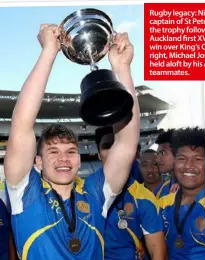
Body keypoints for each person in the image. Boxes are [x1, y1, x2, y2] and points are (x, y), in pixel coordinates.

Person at [4, 25, 140, 260]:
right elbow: (21, 125)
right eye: (53, 152)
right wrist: (48, 53)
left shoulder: (96, 193)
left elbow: (127, 143)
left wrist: (122, 68)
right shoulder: (24, 192)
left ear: (79, 160)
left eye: (70, 151)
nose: (63, 158)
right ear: (38, 161)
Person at [95, 126, 167, 260]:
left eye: (118, 145)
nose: (113, 151)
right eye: (107, 146)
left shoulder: (144, 198)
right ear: (98, 154)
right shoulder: (81, 191)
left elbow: (157, 253)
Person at [159, 128, 205, 260]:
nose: (189, 166)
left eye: (198, 159)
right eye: (182, 158)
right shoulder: (162, 203)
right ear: (174, 162)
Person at [155, 129, 179, 199]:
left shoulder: (194, 190)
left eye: (163, 153)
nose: (157, 159)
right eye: (157, 154)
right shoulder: (161, 189)